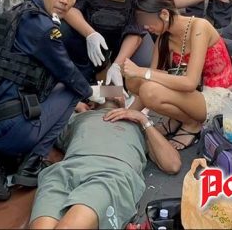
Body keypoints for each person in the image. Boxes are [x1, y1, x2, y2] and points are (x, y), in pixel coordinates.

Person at [0, 0, 101, 199]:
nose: (65, 0)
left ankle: (0, 158)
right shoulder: (44, 29)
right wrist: (99, 92)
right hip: (7, 130)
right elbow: (69, 75)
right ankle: (31, 164)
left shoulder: (19, 13)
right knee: (72, 91)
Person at [123, 0, 232, 151]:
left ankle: (191, 124)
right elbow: (150, 77)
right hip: (192, 93)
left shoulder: (199, 27)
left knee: (149, 88)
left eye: (146, 20)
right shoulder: (164, 37)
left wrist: (143, 72)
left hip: (215, 96)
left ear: (164, 14)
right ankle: (178, 119)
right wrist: (126, 116)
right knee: (134, 80)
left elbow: (190, 83)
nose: (145, 27)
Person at [29, 98, 181, 229]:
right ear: (92, 101)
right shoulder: (77, 118)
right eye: (106, 88)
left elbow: (173, 164)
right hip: (64, 171)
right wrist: (71, 104)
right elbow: (37, 130)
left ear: (124, 100)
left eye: (116, 87)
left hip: (110, 173)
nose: (111, 90)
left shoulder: (138, 124)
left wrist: (143, 120)